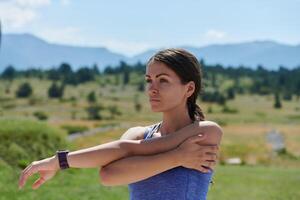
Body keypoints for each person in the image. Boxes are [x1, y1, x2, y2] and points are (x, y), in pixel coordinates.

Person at [18, 48, 223, 200]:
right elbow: (108, 175)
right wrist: (178, 157)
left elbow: (127, 149)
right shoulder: (138, 134)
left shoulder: (205, 132)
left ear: (188, 89)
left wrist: (59, 161)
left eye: (163, 80)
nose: (152, 88)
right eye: (149, 80)